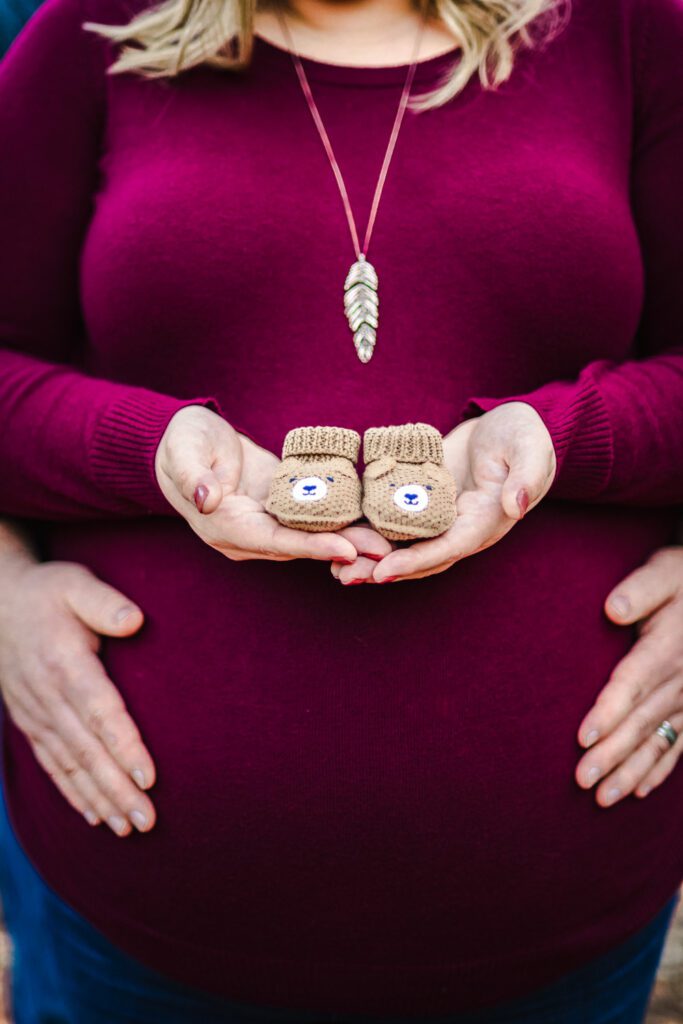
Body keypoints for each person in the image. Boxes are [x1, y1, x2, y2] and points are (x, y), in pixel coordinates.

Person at [0, 0, 682, 1019]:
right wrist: (10, 576)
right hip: (134, 926)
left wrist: (565, 437)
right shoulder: (91, 33)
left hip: (561, 932)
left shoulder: (630, 33)